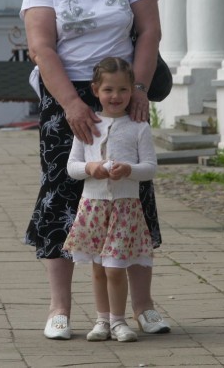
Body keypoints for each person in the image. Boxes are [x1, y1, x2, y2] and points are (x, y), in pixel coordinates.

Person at [21, 0, 170, 340]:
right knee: (62, 192)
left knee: (131, 195)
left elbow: (150, 30)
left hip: (122, 90)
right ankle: (59, 308)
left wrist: (138, 90)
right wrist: (70, 103)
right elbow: (41, 47)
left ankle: (142, 306)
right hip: (65, 92)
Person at [63, 57, 157, 342]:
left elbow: (150, 167)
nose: (115, 96)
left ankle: (118, 321)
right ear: (95, 90)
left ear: (132, 91)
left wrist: (129, 170)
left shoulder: (138, 127)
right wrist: (91, 168)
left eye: (122, 90)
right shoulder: (88, 125)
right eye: (108, 90)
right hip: (92, 207)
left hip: (126, 208)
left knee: (116, 267)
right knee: (98, 268)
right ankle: (101, 320)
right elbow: (72, 166)